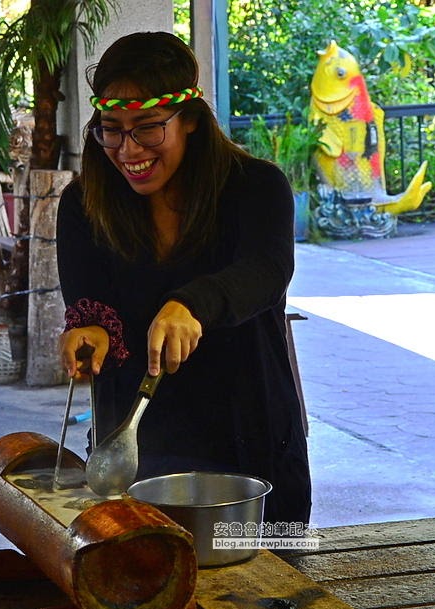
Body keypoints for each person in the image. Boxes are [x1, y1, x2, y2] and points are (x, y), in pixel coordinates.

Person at [56, 32, 311, 529]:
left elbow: (266, 272)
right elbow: (88, 299)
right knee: (143, 584)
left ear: (190, 119)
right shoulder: (83, 204)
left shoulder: (255, 187)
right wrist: (88, 330)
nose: (128, 150)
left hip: (250, 433)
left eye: (147, 129)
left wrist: (192, 304)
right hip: (135, 444)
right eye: (111, 130)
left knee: (267, 585)